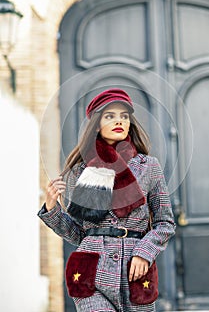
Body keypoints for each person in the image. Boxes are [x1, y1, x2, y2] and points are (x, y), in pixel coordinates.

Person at [38, 88, 176, 312]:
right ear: (96, 123)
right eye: (110, 116)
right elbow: (78, 234)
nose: (119, 121)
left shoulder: (148, 166)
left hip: (135, 271)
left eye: (124, 116)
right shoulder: (80, 171)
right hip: (91, 272)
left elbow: (165, 223)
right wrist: (52, 209)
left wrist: (145, 252)